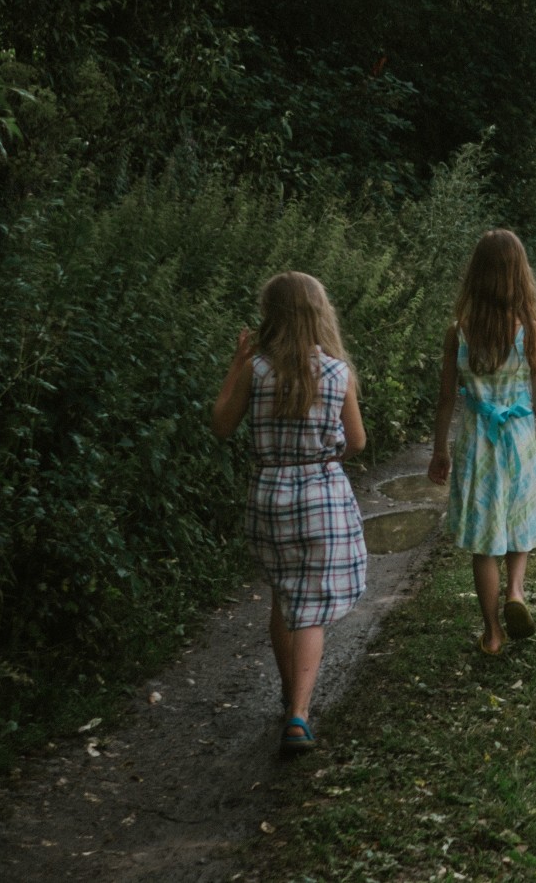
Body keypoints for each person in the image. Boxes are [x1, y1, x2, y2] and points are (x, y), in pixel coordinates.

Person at [212, 271, 368, 755]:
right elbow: (357, 441)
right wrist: (325, 456)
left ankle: (288, 696)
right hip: (320, 497)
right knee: (311, 606)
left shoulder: (257, 370)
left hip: (269, 496)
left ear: (271, 316)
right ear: (319, 313)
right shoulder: (337, 373)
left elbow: (220, 424)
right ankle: (299, 714)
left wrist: (236, 366)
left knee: (284, 595)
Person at [428, 228, 536, 656]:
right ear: (520, 275)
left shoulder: (459, 332)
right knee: (519, 519)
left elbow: (446, 399)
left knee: (484, 542)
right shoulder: (531, 329)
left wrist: (440, 450)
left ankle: (492, 633)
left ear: (476, 275)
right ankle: (516, 591)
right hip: (517, 438)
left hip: (476, 442)